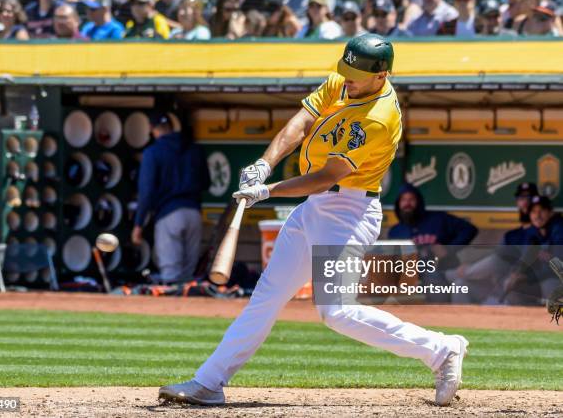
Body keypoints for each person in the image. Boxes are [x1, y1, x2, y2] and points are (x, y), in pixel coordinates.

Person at [159, 34, 469, 408]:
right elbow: (301, 122)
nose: (347, 78)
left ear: (381, 74)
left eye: (356, 73)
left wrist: (267, 191)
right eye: (347, 69)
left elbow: (327, 176)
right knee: (266, 297)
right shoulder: (343, 81)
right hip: (314, 208)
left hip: (349, 213)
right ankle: (209, 382)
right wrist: (264, 164)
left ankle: (442, 350)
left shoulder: (378, 119)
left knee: (335, 311)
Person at [132, 112, 210, 285]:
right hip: (194, 214)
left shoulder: (152, 152)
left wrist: (138, 224)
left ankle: (173, 309)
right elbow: (206, 182)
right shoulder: (195, 149)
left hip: (168, 214)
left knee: (171, 276)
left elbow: (146, 192)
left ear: (152, 129)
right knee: (188, 277)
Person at [444, 182, 538, 304]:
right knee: (460, 285)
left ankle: (454, 274)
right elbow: (494, 258)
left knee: (497, 262)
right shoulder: (511, 235)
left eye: (529, 198)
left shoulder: (542, 232)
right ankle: (462, 320)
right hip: (498, 284)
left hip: (520, 286)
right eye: (521, 198)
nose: (525, 202)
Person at [388, 183, 478, 302]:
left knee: (433, 277)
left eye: (411, 199)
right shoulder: (395, 232)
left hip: (441, 269)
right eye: (403, 200)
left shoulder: (438, 219)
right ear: (398, 204)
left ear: (419, 202)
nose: (407, 203)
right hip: (411, 274)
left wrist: (448, 249)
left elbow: (469, 229)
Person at [502, 195, 563, 305]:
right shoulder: (533, 231)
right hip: (540, 277)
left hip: (556, 279)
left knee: (550, 287)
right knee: (512, 288)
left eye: (542, 211)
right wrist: (515, 273)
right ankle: (527, 320)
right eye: (533, 212)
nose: (537, 215)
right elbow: (524, 259)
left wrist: (527, 277)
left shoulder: (559, 228)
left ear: (550, 212)